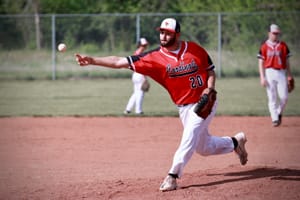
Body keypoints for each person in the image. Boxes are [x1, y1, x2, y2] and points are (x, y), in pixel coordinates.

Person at [75, 18, 248, 192]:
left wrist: (210, 89)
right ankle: (235, 142)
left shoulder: (194, 49)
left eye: (168, 33)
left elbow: (210, 70)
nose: (163, 36)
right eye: (162, 32)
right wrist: (93, 60)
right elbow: (120, 62)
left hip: (205, 102)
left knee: (189, 135)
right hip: (184, 107)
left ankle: (172, 176)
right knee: (203, 147)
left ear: (177, 34)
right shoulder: (154, 57)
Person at [257, 24, 293, 127]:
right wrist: (262, 77)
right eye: (274, 33)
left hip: (281, 72)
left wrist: (289, 75)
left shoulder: (283, 45)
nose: (275, 35)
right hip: (269, 72)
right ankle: (275, 119)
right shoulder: (264, 46)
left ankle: (278, 113)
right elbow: (260, 62)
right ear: (269, 33)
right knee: (272, 97)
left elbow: (287, 61)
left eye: (277, 33)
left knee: (284, 97)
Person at [124, 37, 149, 115]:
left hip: (135, 74)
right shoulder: (141, 54)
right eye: (143, 45)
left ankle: (128, 109)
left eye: (145, 45)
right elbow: (141, 66)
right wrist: (145, 78)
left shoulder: (136, 52)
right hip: (140, 74)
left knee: (136, 93)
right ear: (140, 45)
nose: (144, 46)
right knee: (141, 92)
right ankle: (138, 110)